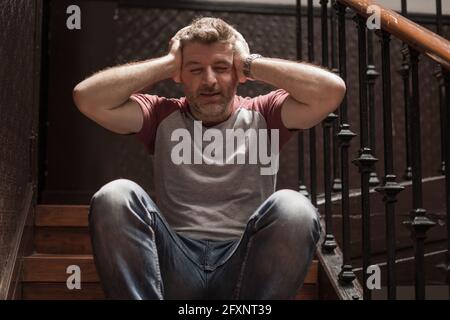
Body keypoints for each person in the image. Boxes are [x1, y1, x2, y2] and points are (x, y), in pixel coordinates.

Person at [72, 17, 346, 300]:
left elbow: (331, 92)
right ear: (179, 74)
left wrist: (250, 63)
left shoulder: (265, 115)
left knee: (295, 207)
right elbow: (87, 98)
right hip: (175, 263)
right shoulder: (161, 115)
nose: (209, 80)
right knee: (115, 195)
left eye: (221, 67)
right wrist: (167, 63)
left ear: (239, 71)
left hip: (242, 266)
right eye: (195, 69)